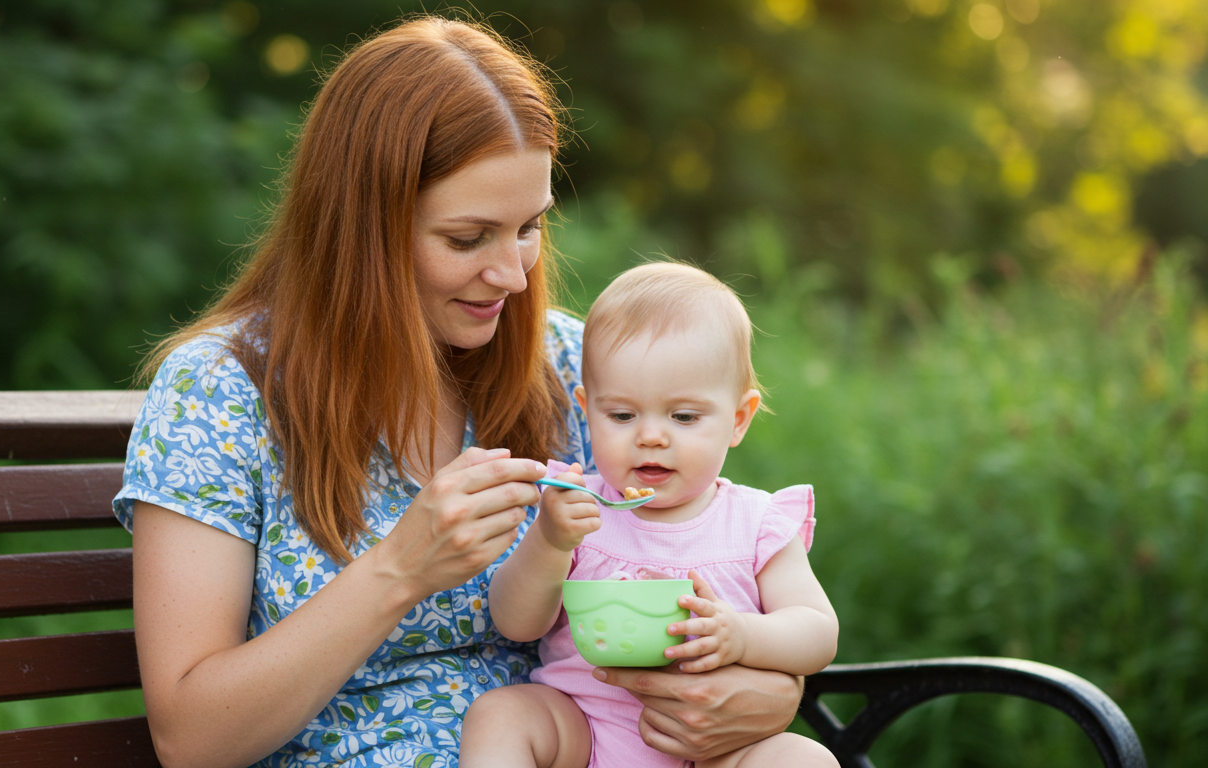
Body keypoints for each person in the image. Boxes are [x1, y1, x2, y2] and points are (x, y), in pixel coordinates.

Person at [114, 17, 804, 768]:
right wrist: (399, 569)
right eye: (468, 239)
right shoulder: (222, 393)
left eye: (529, 228)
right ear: (363, 229)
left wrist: (768, 694)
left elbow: (711, 556)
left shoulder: (571, 369)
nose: (513, 275)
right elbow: (190, 739)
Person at [459, 263, 840, 768]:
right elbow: (516, 623)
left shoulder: (756, 522)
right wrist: (550, 543)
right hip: (585, 729)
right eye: (621, 415)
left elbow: (817, 632)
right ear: (587, 408)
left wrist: (741, 635)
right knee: (501, 714)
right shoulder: (578, 510)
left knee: (804, 758)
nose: (651, 436)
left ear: (738, 419)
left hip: (715, 750)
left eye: (684, 416)